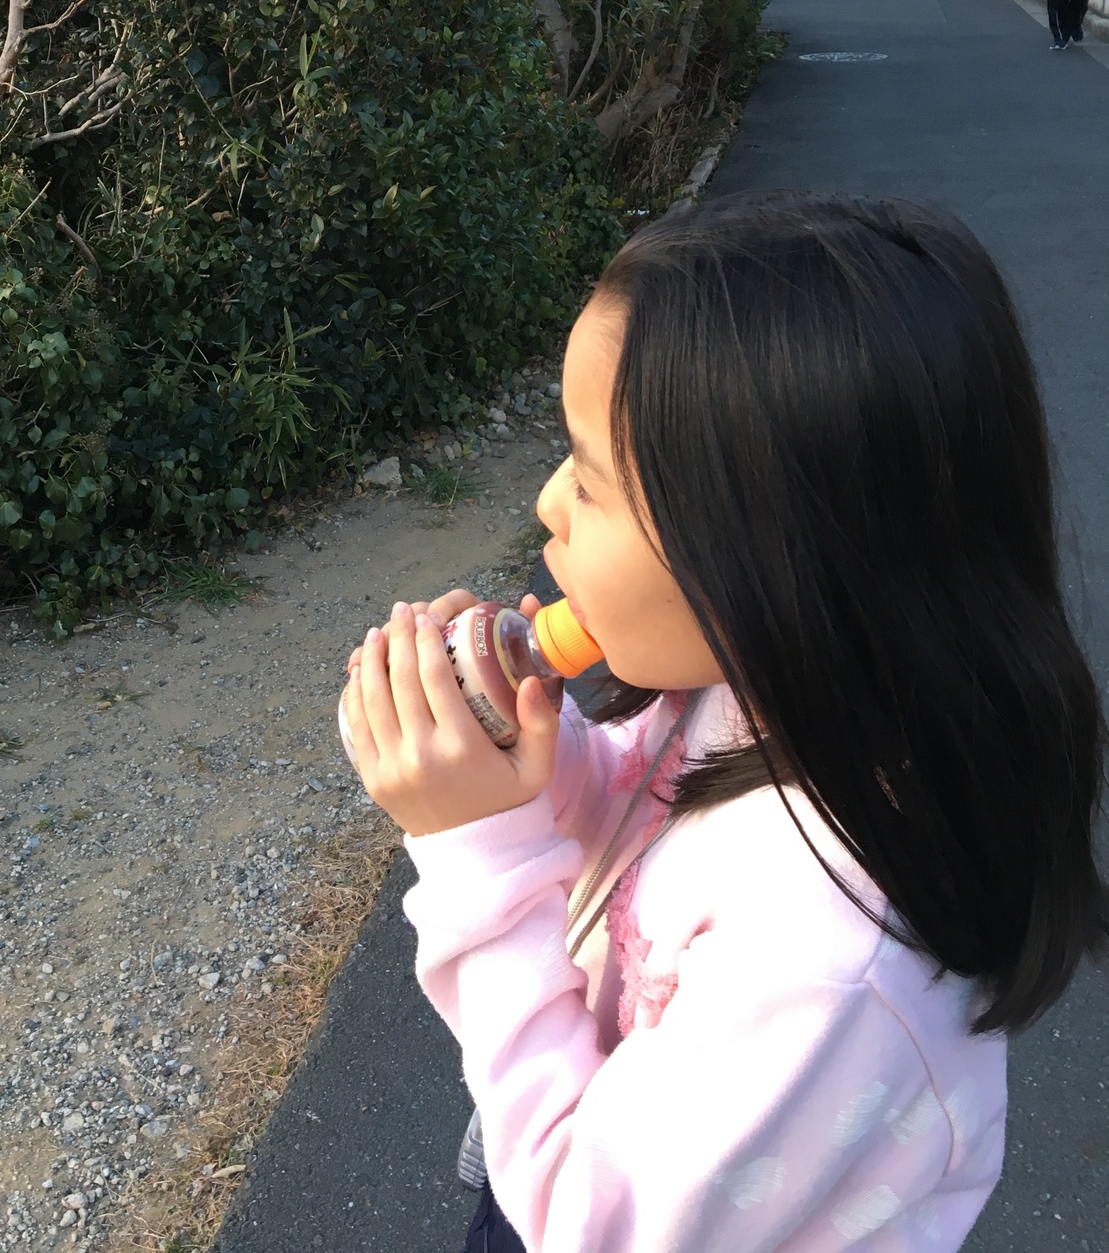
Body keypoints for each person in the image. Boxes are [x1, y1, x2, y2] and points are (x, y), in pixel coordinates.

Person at [342, 193, 1107, 1253]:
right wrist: (525, 757)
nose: (549, 504)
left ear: (768, 552)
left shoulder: (831, 960)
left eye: (591, 481)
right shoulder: (774, 688)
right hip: (586, 1128)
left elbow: (585, 1227)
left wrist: (476, 850)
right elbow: (640, 812)